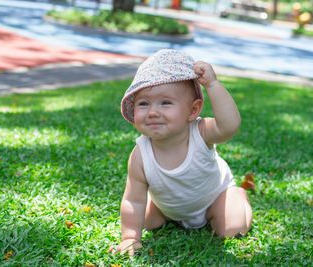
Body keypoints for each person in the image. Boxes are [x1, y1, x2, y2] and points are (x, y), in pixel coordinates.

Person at [108, 49, 252, 256]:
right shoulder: (140, 154)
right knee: (146, 221)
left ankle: (236, 196)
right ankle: (166, 213)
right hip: (169, 209)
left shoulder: (201, 133)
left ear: (193, 111)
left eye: (166, 103)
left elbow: (229, 126)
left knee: (231, 230)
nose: (153, 112)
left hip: (214, 199)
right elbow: (133, 200)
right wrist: (130, 237)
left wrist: (212, 85)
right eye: (143, 103)